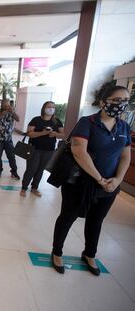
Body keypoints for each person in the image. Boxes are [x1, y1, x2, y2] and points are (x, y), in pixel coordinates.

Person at [51, 85, 131, 275]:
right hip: (79, 182)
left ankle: (89, 254)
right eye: (117, 100)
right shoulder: (87, 123)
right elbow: (79, 151)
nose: (121, 105)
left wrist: (117, 180)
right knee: (67, 217)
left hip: (109, 186)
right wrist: (100, 179)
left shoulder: (124, 127)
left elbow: (125, 156)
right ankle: (57, 252)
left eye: (125, 101)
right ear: (104, 101)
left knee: (96, 221)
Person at [20, 101, 64, 197]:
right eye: (49, 107)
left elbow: (63, 135)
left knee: (40, 169)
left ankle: (34, 188)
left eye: (53, 107)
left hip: (49, 150)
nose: (51, 109)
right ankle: (24, 188)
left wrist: (56, 134)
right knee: (31, 169)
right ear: (44, 108)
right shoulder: (36, 120)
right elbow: (30, 133)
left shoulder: (57, 121)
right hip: (34, 148)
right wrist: (43, 133)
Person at [0, 99, 20, 179]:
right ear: (1, 105)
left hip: (8, 139)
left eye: (8, 105)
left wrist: (12, 112)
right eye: (5, 106)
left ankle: (14, 172)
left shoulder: (11, 112)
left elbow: (18, 119)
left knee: (11, 156)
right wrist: (1, 115)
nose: (6, 107)